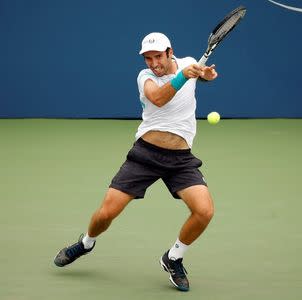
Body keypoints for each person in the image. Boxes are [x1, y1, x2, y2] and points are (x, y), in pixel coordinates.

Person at [53, 32, 218, 292]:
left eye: (157, 57)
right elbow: (159, 99)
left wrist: (205, 76)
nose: (153, 63)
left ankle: (173, 257)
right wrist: (184, 75)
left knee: (205, 211)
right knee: (106, 213)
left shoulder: (188, 64)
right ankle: (86, 243)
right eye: (147, 58)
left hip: (181, 159)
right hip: (145, 155)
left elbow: (199, 77)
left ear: (169, 52)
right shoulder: (146, 78)